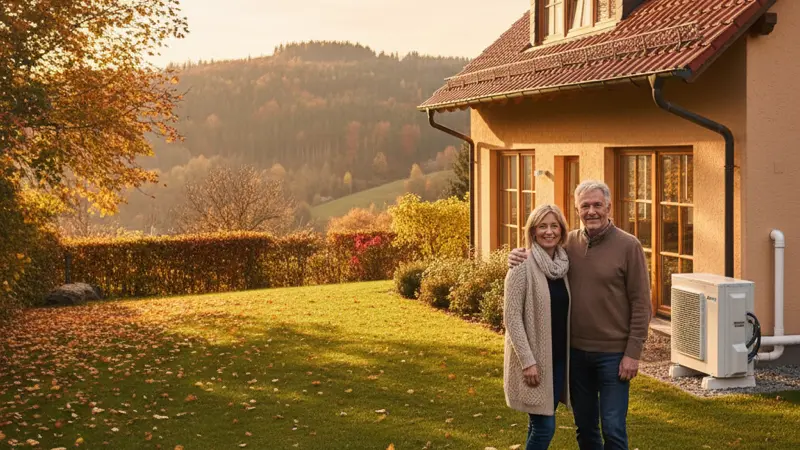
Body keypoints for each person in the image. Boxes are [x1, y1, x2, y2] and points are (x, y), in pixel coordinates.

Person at [507, 180, 652, 450]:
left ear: (609, 206)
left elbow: (642, 304)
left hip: (613, 355)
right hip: (575, 355)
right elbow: (539, 257)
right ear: (577, 210)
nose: (592, 211)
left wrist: (633, 353)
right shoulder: (567, 245)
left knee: (613, 427)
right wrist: (516, 256)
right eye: (585, 206)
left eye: (597, 204)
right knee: (585, 429)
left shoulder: (629, 246)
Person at [503, 204, 572, 450]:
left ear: (562, 231)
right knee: (545, 427)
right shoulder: (522, 265)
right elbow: (511, 318)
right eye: (542, 226)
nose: (549, 231)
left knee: (538, 422)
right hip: (535, 362)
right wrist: (528, 361)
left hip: (557, 360)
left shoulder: (563, 265)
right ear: (532, 232)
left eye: (554, 226)